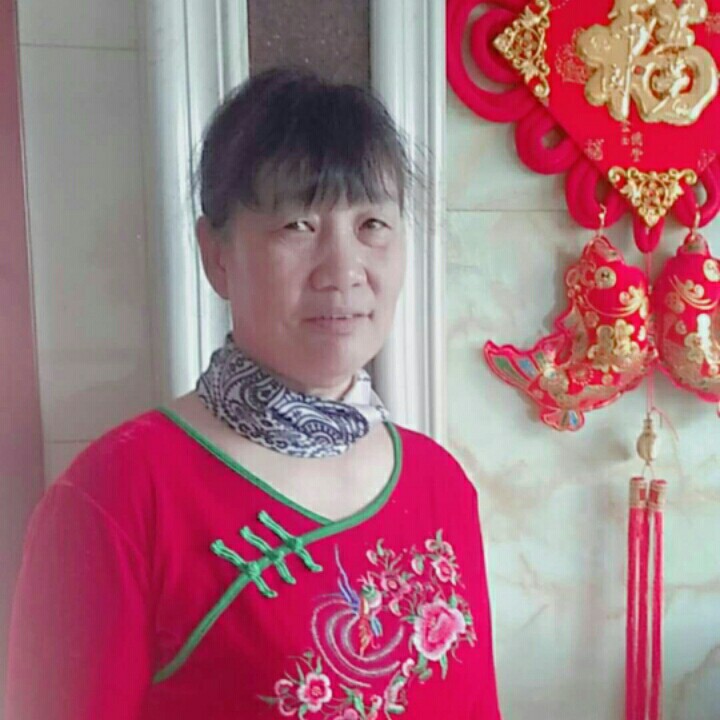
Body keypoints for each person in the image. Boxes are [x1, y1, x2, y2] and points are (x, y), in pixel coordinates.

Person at [5, 68, 502, 720]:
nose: (343, 271)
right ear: (216, 255)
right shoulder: (118, 495)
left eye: (372, 224)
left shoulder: (439, 485)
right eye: (298, 224)